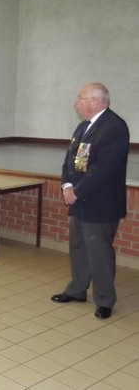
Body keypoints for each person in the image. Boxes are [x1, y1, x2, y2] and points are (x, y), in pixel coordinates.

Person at [51, 83, 129, 320]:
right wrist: (66, 185)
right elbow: (71, 159)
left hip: (100, 203)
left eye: (80, 98)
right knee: (78, 247)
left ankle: (104, 300)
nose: (76, 102)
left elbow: (104, 169)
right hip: (78, 199)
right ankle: (77, 289)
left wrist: (77, 191)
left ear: (96, 101)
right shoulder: (84, 125)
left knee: (99, 252)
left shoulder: (114, 127)